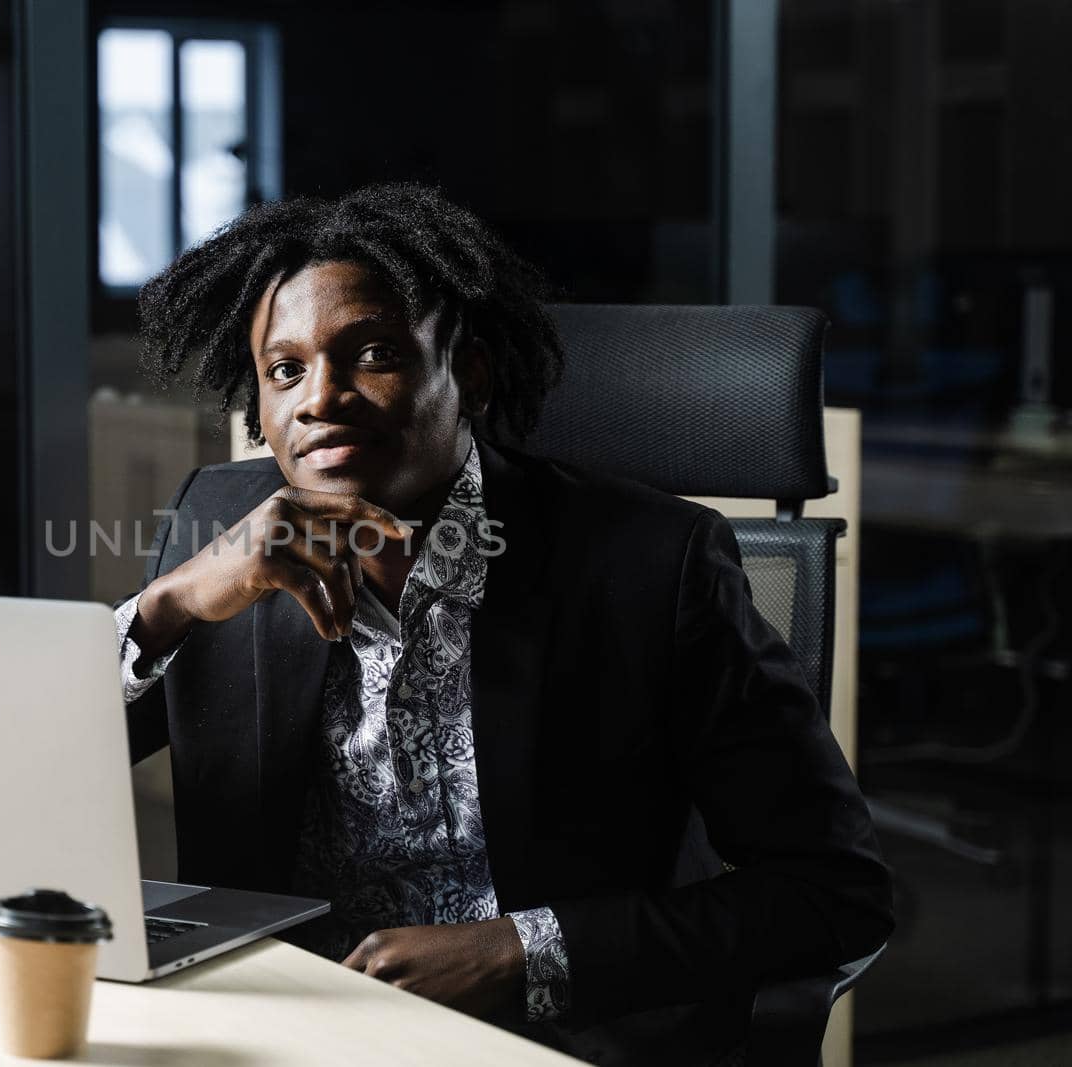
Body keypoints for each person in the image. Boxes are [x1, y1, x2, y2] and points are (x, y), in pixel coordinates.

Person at [113, 183, 893, 1064]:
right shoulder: (218, 532)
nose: (319, 397)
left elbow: (835, 890)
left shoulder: (652, 565)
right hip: (279, 1029)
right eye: (285, 369)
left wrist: (526, 951)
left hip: (552, 1038)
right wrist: (170, 605)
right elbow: (34, 762)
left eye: (370, 354)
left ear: (470, 372)